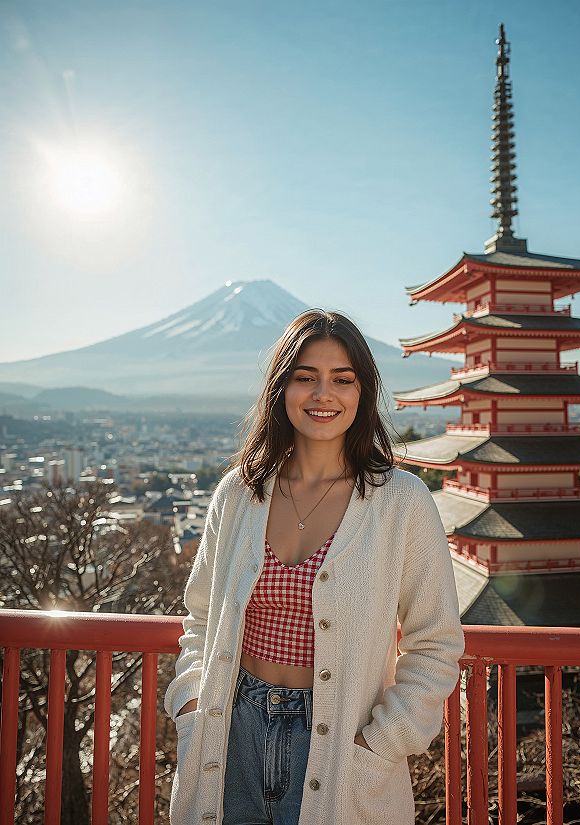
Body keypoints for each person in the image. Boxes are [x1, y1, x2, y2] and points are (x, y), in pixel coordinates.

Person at [163, 309, 465, 825]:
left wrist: (380, 743)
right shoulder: (238, 494)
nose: (323, 394)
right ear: (281, 388)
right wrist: (192, 703)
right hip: (232, 729)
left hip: (340, 741)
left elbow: (435, 643)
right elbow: (199, 619)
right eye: (306, 377)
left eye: (342, 380)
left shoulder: (401, 503)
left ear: (362, 393)